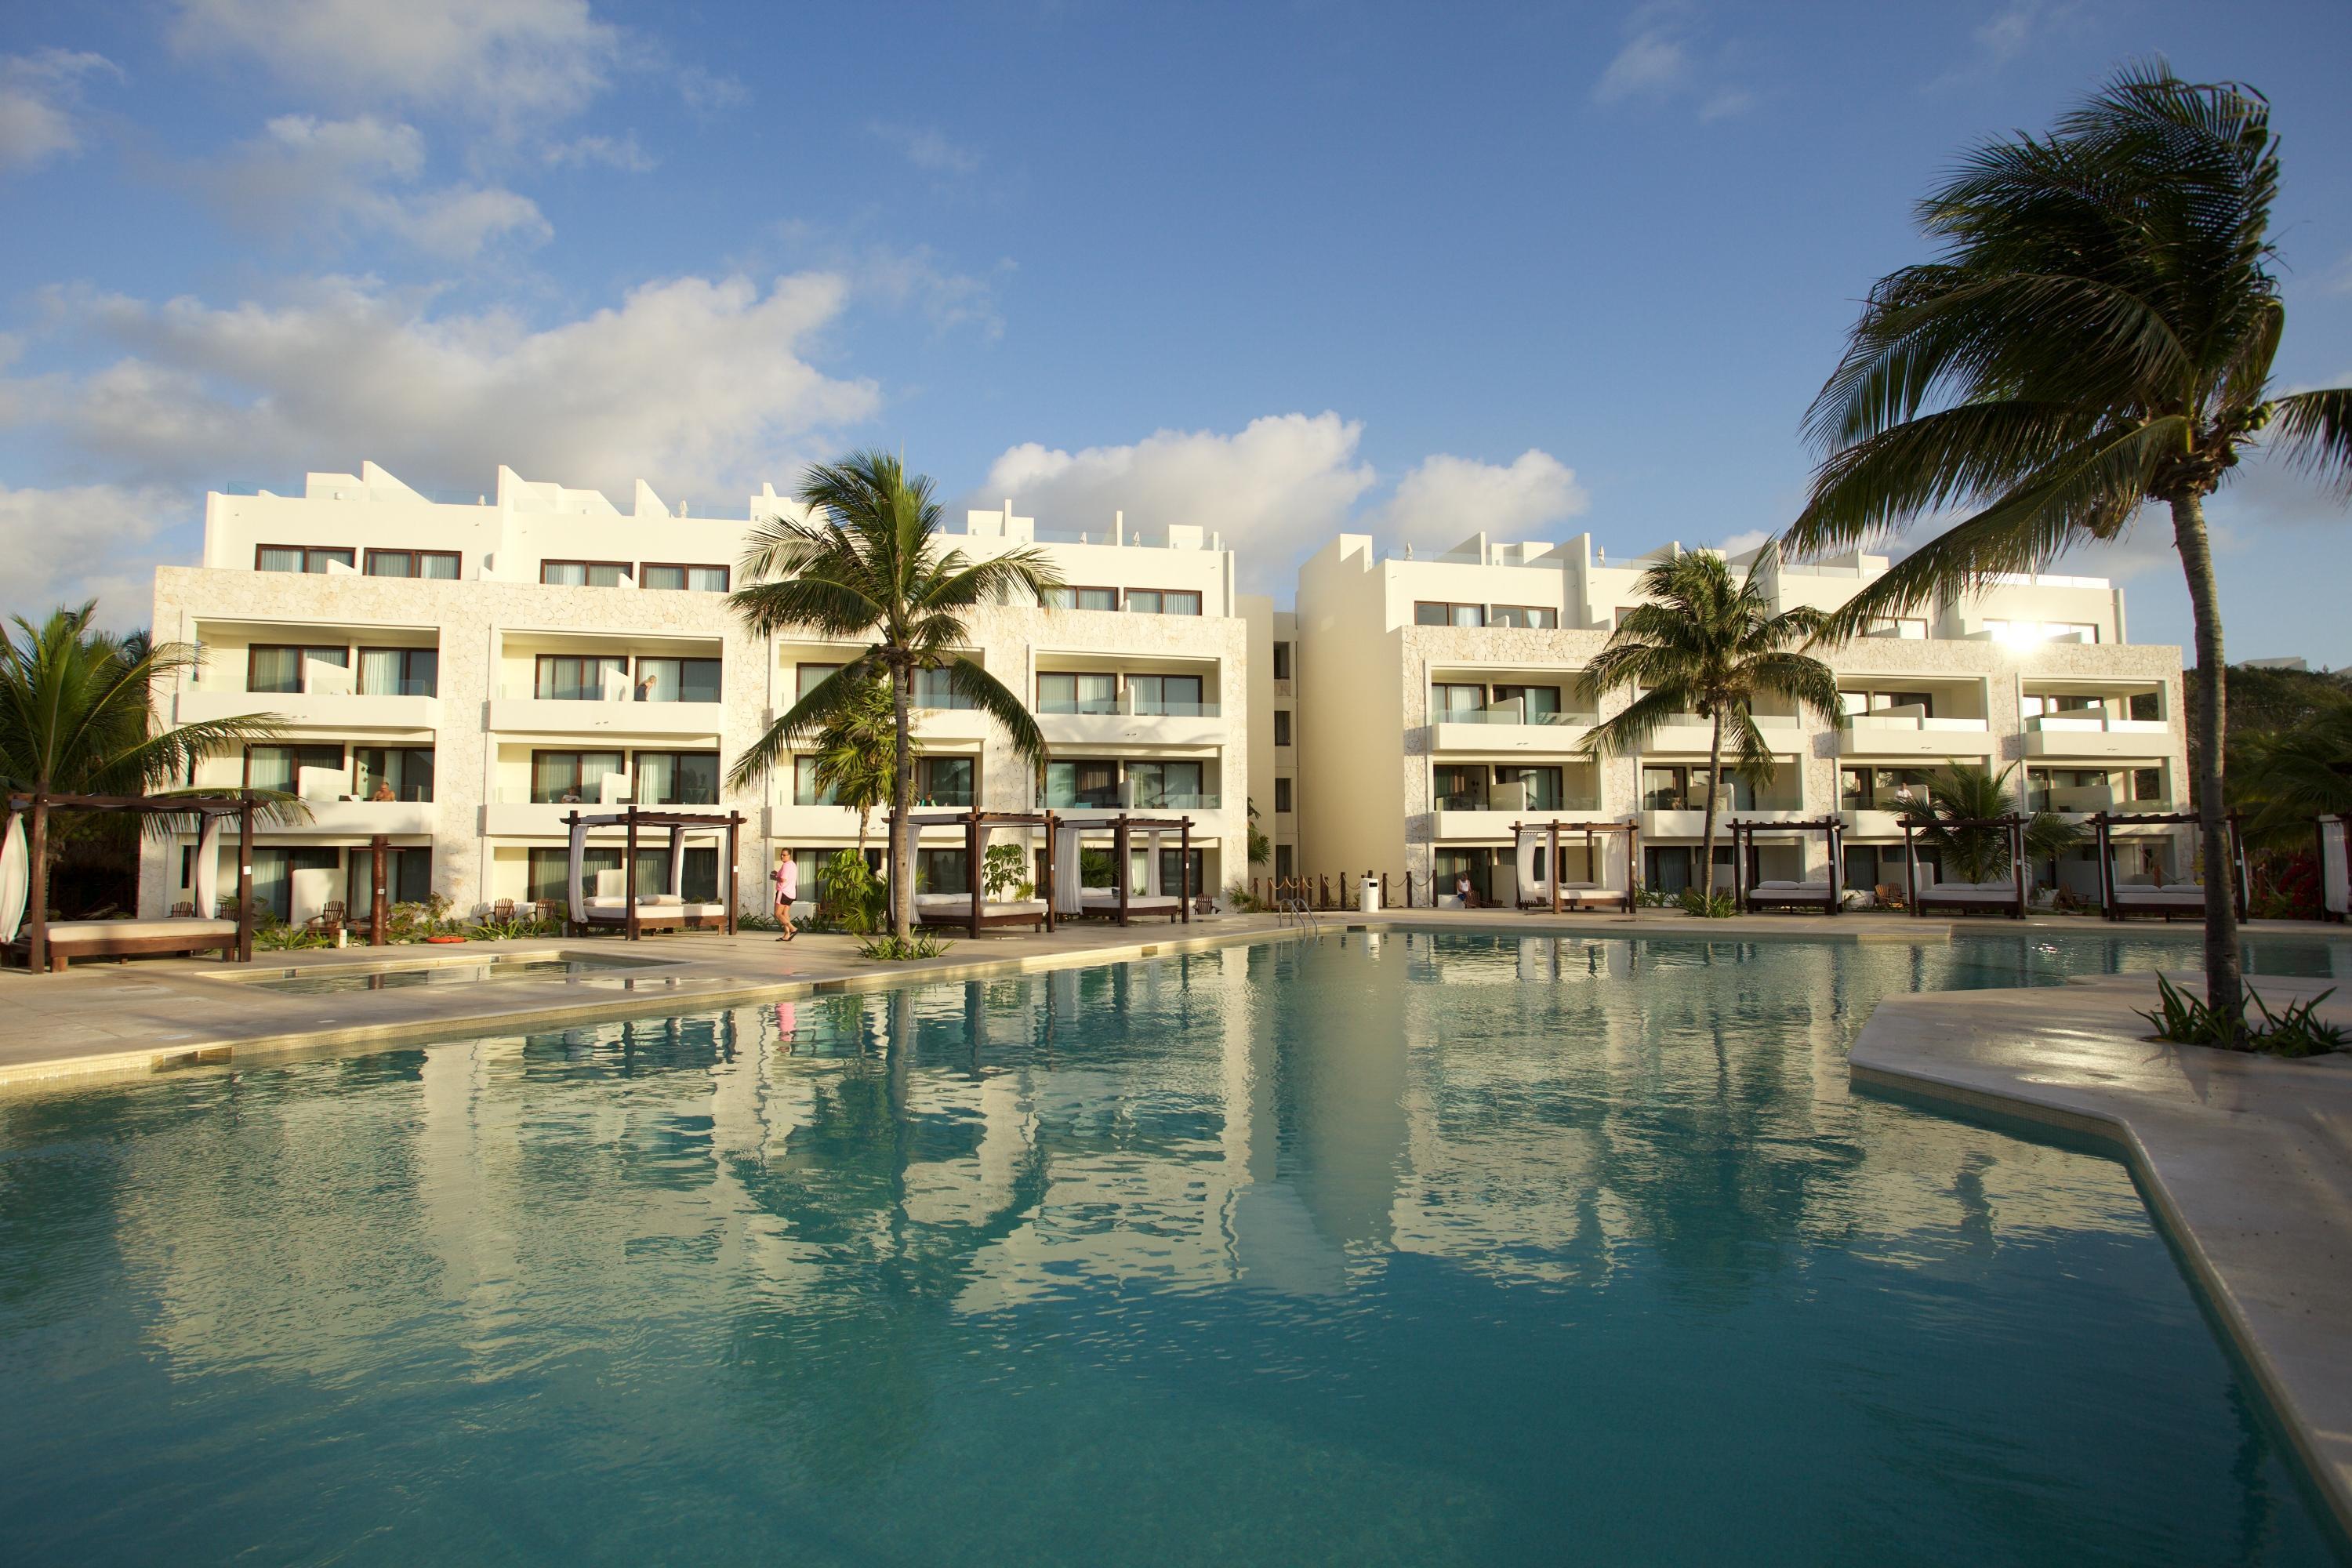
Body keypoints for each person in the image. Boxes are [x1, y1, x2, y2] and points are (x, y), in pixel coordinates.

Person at [772, 848, 798, 942]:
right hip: (791, 893)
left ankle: (793, 929)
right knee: (785, 914)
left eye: (784, 855)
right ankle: (787, 935)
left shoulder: (786, 865)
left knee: (778, 914)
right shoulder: (793, 864)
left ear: (789, 856)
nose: (782, 856)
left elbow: (783, 879)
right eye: (781, 854)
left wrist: (774, 877)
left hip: (783, 892)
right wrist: (777, 874)